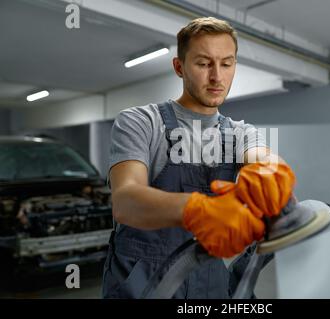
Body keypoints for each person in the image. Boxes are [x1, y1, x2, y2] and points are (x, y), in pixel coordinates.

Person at [102, 16, 296, 299]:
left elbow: (260, 156)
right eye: (204, 63)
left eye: (226, 64)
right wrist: (199, 211)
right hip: (143, 281)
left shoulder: (240, 132)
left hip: (209, 281)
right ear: (179, 67)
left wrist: (270, 170)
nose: (217, 76)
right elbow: (126, 201)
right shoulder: (140, 122)